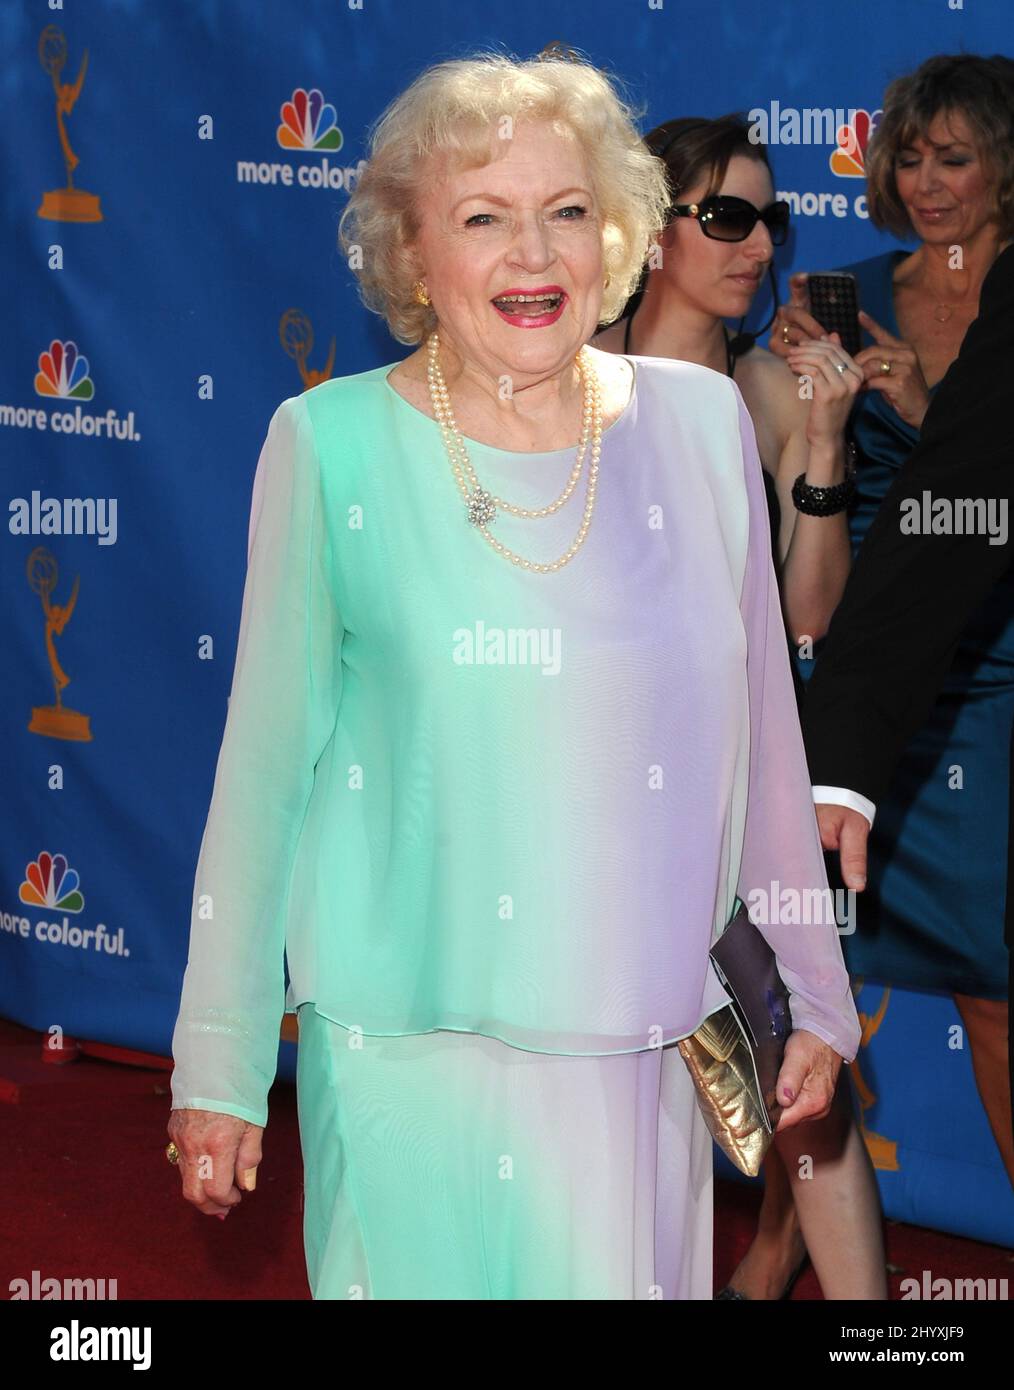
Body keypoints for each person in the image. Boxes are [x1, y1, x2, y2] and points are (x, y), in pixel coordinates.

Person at [166, 50, 860, 1300]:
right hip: (399, 1047)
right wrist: (217, 1068)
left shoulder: (699, 430)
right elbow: (262, 775)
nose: (532, 255)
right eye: (482, 218)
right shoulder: (328, 448)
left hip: (633, 1045)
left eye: (567, 211)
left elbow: (764, 743)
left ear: (618, 236)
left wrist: (816, 989)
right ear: (414, 255)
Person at [596, 115, 885, 1302]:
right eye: (725, 216)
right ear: (646, 231)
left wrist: (820, 454)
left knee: (804, 1073)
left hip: (736, 791)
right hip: (596, 797)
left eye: (772, 219)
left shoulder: (765, 390)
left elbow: (808, 626)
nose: (759, 244)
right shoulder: (571, 375)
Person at [774, 53, 1014, 1182]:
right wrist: (805, 398)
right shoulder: (855, 289)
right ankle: (779, 1244)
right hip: (872, 674)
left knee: (998, 983)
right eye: (909, 156)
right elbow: (796, 486)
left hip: (996, 682)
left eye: (954, 157)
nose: (927, 182)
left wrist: (922, 410)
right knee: (806, 979)